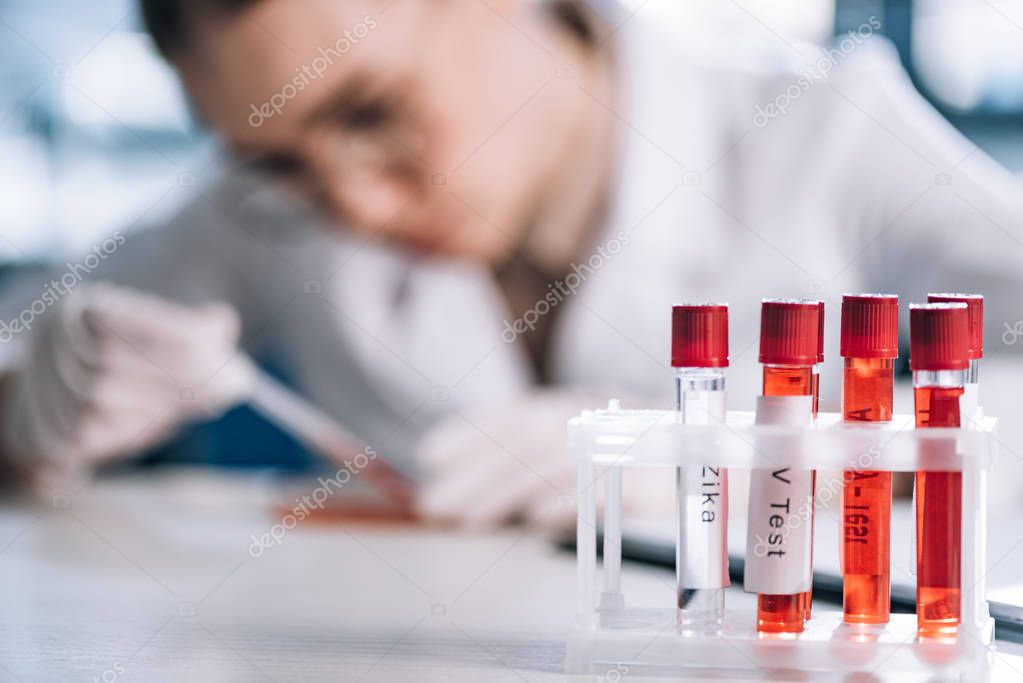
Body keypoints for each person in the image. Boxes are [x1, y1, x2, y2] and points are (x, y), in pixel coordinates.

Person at [0, 0, 1019, 526]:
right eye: (281, 162)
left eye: (369, 112)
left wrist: (755, 453)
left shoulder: (823, 131)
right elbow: (31, 347)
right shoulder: (267, 207)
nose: (352, 202)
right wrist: (25, 403)